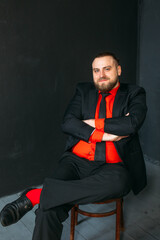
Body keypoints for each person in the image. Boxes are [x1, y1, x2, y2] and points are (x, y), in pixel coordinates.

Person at [0, 52, 147, 240]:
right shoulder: (83, 91)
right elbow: (68, 122)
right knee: (48, 211)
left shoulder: (134, 93)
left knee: (120, 182)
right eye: (96, 70)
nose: (101, 74)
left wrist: (93, 122)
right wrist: (108, 133)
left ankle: (36, 195)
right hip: (76, 161)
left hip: (112, 166)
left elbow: (132, 124)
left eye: (107, 69)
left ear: (118, 70)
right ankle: (43, 197)